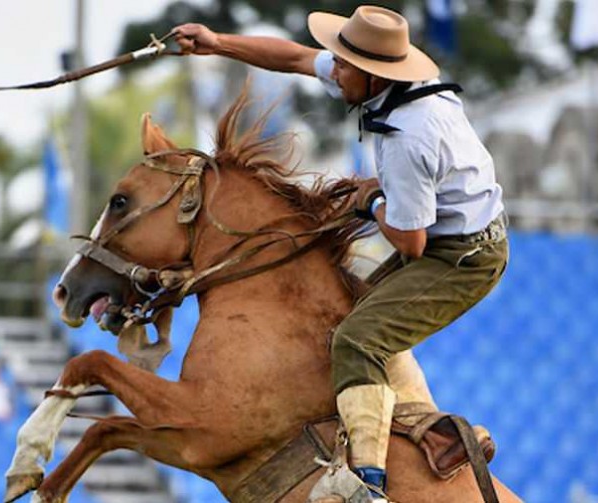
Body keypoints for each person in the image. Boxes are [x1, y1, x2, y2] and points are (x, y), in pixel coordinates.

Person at [174, 5, 508, 501]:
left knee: (357, 339)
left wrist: (370, 200)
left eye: (344, 66)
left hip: (463, 256)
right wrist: (218, 42)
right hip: (447, 234)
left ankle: (367, 483)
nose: (334, 69)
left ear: (374, 76)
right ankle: (437, 434)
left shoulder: (410, 136)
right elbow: (294, 59)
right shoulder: (381, 85)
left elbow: (409, 242)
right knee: (354, 317)